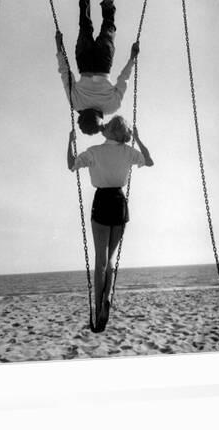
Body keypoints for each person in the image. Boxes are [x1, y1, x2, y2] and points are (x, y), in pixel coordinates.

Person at [67, 115, 154, 332]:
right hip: (119, 203)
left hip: (102, 202)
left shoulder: (94, 151)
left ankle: (98, 308)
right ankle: (108, 296)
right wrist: (139, 140)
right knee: (111, 259)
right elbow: (149, 160)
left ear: (109, 131)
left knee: (101, 261)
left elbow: (71, 165)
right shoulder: (128, 152)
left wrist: (70, 141)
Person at [55, 0, 140, 135]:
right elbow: (65, 74)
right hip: (93, 63)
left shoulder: (110, 107)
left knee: (98, 24)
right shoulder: (79, 105)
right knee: (90, 23)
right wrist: (59, 48)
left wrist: (132, 59)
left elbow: (124, 79)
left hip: (97, 64)